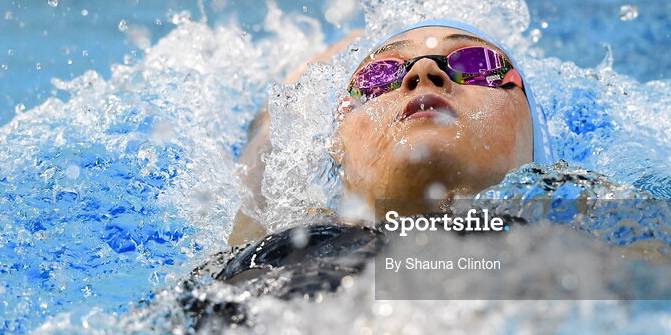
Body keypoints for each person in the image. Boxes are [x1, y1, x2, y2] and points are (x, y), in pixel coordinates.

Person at [229, 19, 554, 244]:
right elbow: (254, 203)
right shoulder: (272, 262)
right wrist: (282, 107)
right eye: (379, 75)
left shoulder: (582, 261)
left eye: (475, 62)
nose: (423, 71)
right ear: (338, 147)